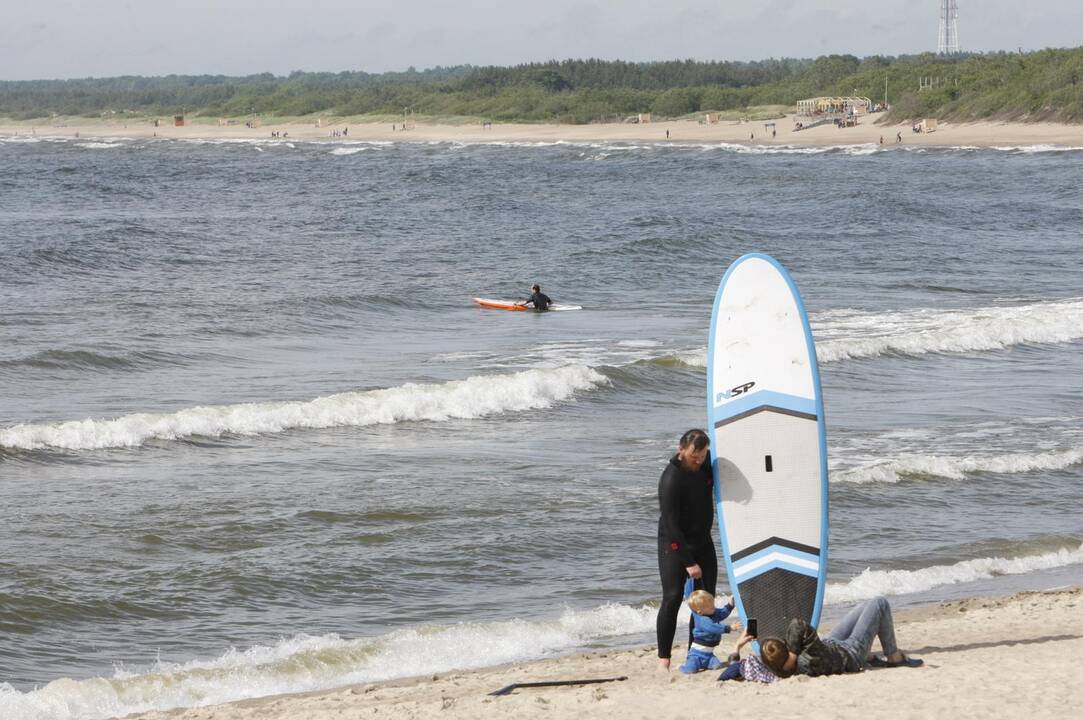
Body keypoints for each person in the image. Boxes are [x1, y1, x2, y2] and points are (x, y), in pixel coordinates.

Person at [656, 429, 716, 669]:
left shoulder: (705, 465)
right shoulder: (671, 479)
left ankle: (696, 653)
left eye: (702, 456)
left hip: (703, 541)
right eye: (694, 456)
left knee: (705, 599)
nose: (698, 461)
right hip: (674, 543)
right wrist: (688, 562)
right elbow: (671, 525)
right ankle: (664, 659)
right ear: (681, 449)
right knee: (672, 597)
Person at [759, 596, 922, 678]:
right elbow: (798, 624)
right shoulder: (804, 659)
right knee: (879, 603)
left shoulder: (780, 669)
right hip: (851, 653)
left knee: (867, 604)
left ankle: (873, 656)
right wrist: (793, 656)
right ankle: (894, 657)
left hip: (829, 646)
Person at [678, 589, 737, 673]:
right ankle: (683, 667)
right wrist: (729, 628)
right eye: (711, 607)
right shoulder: (703, 620)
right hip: (696, 655)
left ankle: (708, 663)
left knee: (717, 666)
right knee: (690, 670)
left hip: (709, 655)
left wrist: (730, 605)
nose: (714, 607)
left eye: (713, 605)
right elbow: (713, 628)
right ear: (700, 611)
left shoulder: (712, 612)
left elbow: (722, 613)